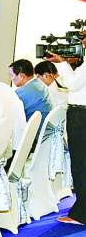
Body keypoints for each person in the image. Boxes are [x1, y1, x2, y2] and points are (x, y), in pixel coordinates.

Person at [46, 44, 86, 224]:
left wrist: (62, 63)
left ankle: (81, 214)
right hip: (81, 114)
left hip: (81, 116)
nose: (82, 43)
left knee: (80, 164)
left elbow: (73, 85)